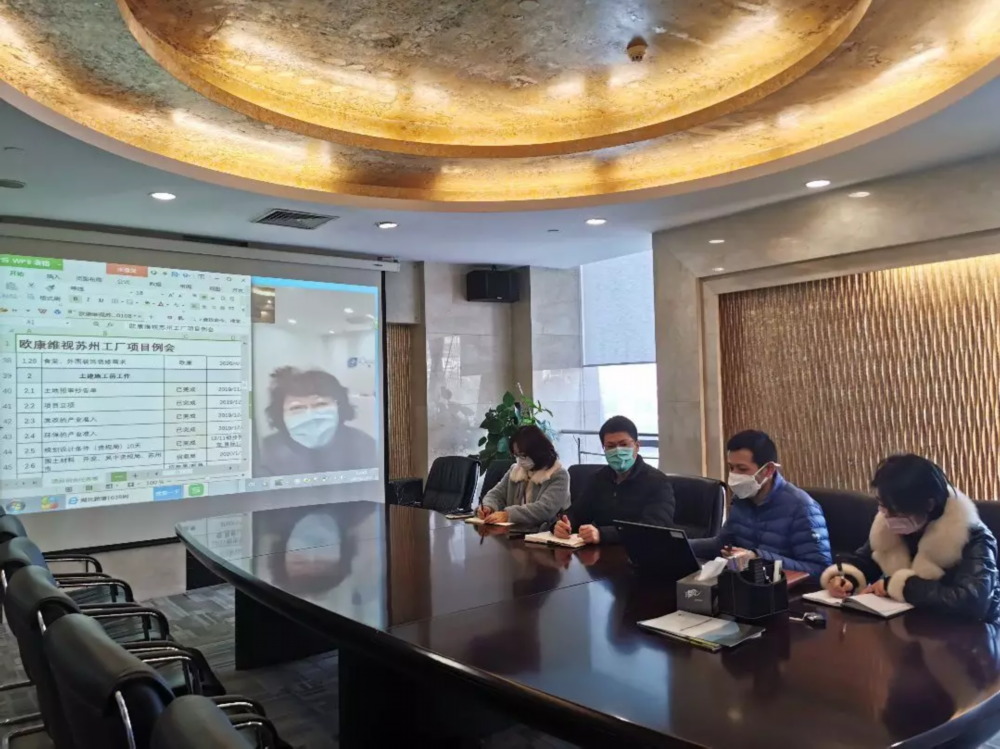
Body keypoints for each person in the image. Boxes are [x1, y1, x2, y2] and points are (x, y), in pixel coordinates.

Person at [821, 454, 1000, 621]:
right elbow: (866, 560)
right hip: (910, 627)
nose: (887, 516)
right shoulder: (890, 526)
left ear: (928, 505)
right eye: (883, 506)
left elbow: (973, 603)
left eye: (895, 510)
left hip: (971, 636)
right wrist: (846, 579)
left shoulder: (972, 536)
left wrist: (902, 586)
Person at [690, 430, 831, 578]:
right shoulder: (741, 499)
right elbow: (721, 545)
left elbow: (819, 570)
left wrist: (757, 558)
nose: (734, 475)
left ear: (768, 470)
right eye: (731, 468)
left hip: (781, 588)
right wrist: (682, 546)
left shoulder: (802, 508)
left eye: (742, 469)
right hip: (745, 583)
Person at [553, 415, 674, 545]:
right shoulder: (598, 479)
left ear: (637, 446)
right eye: (610, 446)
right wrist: (563, 524)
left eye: (624, 444)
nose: (617, 451)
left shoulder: (658, 482)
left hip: (640, 552)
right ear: (604, 449)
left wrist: (603, 534)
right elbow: (577, 512)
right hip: (599, 553)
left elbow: (655, 528)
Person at [256, 366, 378, 477]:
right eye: (297, 408)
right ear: (280, 413)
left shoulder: (363, 444)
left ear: (339, 406)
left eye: (321, 405)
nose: (310, 416)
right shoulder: (263, 453)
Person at [479, 425, 570, 531]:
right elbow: (496, 494)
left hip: (543, 535)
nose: (520, 460)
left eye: (523, 455)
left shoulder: (558, 475)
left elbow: (545, 509)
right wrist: (488, 507)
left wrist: (508, 514)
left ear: (538, 451)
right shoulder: (515, 470)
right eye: (516, 455)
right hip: (514, 533)